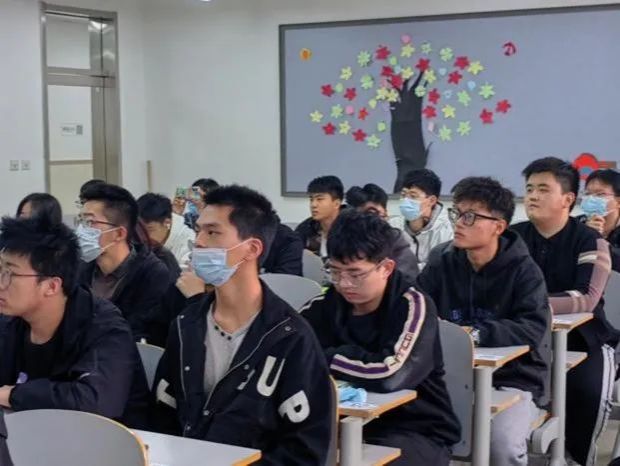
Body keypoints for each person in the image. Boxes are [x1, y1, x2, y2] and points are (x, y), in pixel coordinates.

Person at [152, 185, 333, 463]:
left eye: (212, 232)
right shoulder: (186, 324)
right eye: (198, 230)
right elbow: (162, 419)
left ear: (252, 248)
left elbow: (304, 449)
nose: (198, 242)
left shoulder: (290, 337)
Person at [302, 210, 460, 465]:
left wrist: (328, 357)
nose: (344, 283)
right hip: (340, 423)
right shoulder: (323, 305)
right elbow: (291, 352)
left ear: (386, 268)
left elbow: (390, 374)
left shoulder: (413, 305)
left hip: (414, 427)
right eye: (335, 271)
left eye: (355, 274)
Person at [415, 177, 550, 466]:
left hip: (512, 379)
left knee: (502, 444)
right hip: (449, 374)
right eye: (457, 213)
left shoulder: (524, 270)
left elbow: (532, 327)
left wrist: (475, 334)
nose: (459, 223)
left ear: (498, 227)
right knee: (415, 435)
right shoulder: (442, 260)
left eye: (470, 217)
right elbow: (417, 308)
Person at [512, 157, 615, 466]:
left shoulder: (589, 239)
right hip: (525, 339)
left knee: (587, 392)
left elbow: (586, 298)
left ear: (568, 199)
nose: (533, 196)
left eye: (543, 189)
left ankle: (577, 459)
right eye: (530, 188)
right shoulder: (512, 238)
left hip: (584, 340)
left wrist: (527, 304)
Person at [0, 216, 149, 428]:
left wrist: (14, 395)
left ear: (52, 286)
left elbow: (95, 402)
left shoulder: (105, 328)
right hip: (32, 432)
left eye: (10, 274)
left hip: (107, 441)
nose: (1, 282)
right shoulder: (10, 320)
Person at [75, 182, 171, 342]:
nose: (81, 231)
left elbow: (140, 334)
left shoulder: (152, 274)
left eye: (90, 222)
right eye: (81, 221)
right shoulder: (81, 268)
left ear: (119, 234)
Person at [346, 184, 419, 279]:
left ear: (385, 214)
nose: (363, 220)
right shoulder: (344, 240)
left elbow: (406, 282)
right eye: (358, 216)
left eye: (371, 214)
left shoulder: (397, 246)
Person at [398, 169, 453, 268]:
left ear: (432, 201)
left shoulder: (447, 230)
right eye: (403, 195)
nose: (406, 201)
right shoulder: (393, 225)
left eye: (413, 196)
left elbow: (441, 268)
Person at [137, 193, 195, 265]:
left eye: (149, 230)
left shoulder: (188, 245)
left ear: (167, 223)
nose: (143, 237)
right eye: (140, 230)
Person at [296, 176, 344, 262]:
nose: (313, 205)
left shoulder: (353, 228)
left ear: (336, 203)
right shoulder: (306, 228)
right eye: (311, 199)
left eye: (319, 199)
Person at [581, 169, 620, 272]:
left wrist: (598, 241)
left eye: (600, 194)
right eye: (587, 194)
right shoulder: (576, 225)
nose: (591, 199)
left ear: (618, 201)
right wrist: (586, 236)